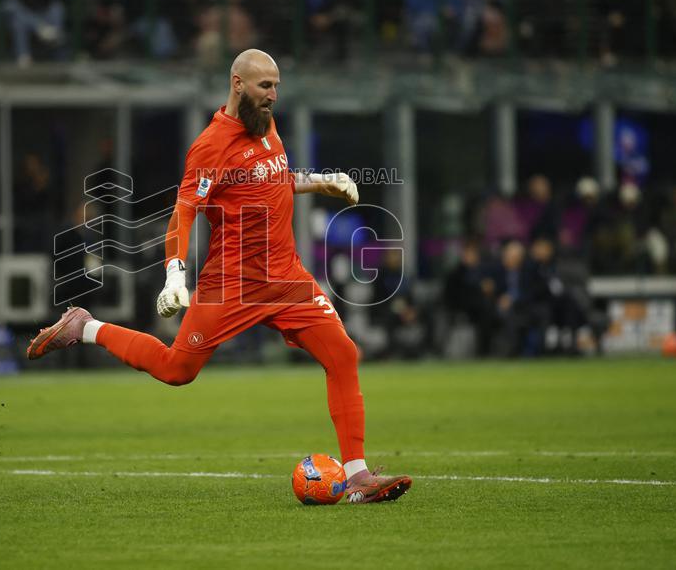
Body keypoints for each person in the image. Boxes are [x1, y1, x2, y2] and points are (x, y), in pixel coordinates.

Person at [27, 49, 411, 505]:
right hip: (230, 286)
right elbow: (184, 212)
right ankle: (84, 327)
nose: (273, 95)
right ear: (237, 84)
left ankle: (357, 478)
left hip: (286, 279)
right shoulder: (211, 145)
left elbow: (272, 178)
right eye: (264, 86)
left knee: (343, 354)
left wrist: (319, 180)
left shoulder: (265, 125)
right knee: (176, 370)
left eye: (277, 86)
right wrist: (175, 275)